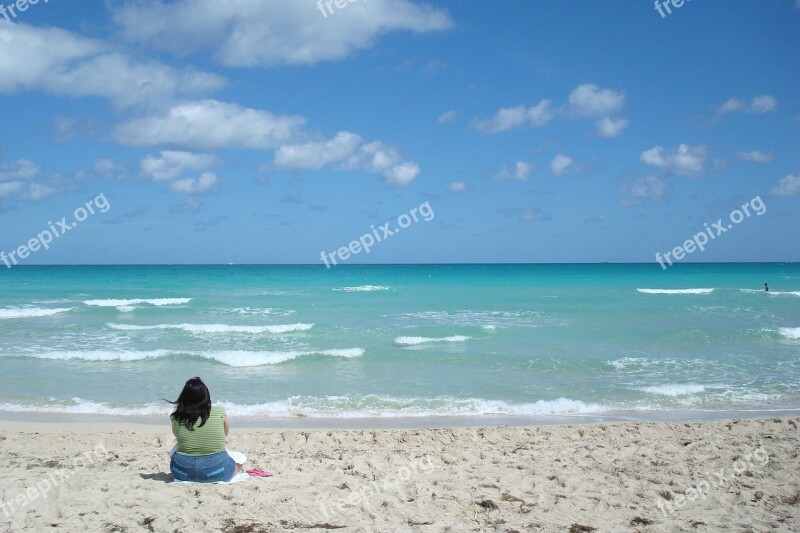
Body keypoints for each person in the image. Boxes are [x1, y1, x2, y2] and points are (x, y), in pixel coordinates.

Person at [167, 377, 246, 482]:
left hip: (183, 471)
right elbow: (225, 433)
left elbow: (177, 436)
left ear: (184, 397)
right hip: (216, 471)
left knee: (178, 446)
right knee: (240, 459)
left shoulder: (178, 417)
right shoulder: (219, 412)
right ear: (206, 396)